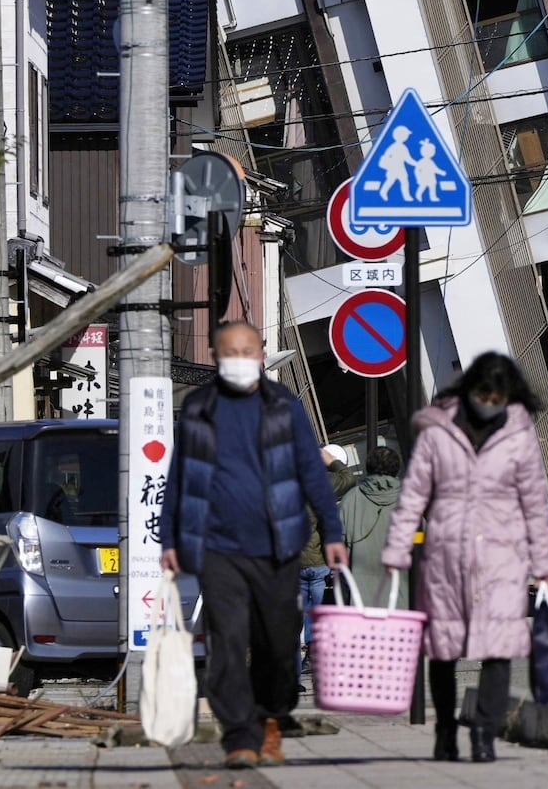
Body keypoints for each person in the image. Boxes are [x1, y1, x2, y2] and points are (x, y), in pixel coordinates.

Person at [159, 321, 347, 771]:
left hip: (278, 546)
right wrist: (169, 537)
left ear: (261, 355)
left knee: (278, 641)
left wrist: (333, 532)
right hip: (217, 546)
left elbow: (311, 470)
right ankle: (239, 736)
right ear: (214, 355)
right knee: (227, 642)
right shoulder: (199, 408)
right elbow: (179, 478)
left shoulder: (284, 406)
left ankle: (271, 722)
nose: (240, 358)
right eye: (230, 351)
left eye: (247, 350)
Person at [383, 353, 548, 763]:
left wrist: (544, 563)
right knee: (442, 649)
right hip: (446, 555)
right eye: (483, 393)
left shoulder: (518, 433)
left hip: (502, 556)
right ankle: (445, 730)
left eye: (497, 396)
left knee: (498, 649)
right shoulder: (437, 431)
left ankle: (483, 731)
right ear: (469, 390)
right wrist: (397, 548)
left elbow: (534, 500)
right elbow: (413, 495)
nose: (489, 401)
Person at [296, 444, 358, 683]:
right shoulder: (323, 486)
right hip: (321, 561)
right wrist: (331, 460)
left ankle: (295, 677)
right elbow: (348, 478)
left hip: (297, 561)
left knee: (297, 620)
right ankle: (321, 660)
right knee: (321, 614)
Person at [337, 445, 403, 607]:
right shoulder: (409, 500)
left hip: (359, 599)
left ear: (368, 468)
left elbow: (338, 543)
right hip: (402, 595)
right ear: (397, 469)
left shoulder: (350, 499)